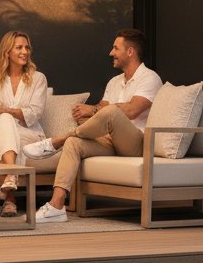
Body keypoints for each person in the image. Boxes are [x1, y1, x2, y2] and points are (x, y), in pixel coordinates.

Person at [23, 28, 161, 223]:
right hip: (110, 141)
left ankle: (57, 141)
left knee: (111, 113)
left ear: (130, 52)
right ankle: (57, 205)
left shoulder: (149, 78)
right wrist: (94, 113)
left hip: (136, 144)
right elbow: (102, 108)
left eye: (115, 48)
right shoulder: (114, 82)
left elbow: (131, 110)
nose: (111, 53)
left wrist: (94, 111)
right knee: (74, 144)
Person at [0, 30, 48, 218]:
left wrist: (4, 110)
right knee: (4, 123)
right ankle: (11, 175)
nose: (25, 51)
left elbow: (34, 114)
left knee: (5, 129)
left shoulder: (38, 78)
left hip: (28, 132)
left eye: (27, 47)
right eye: (19, 47)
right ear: (7, 52)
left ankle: (9, 199)